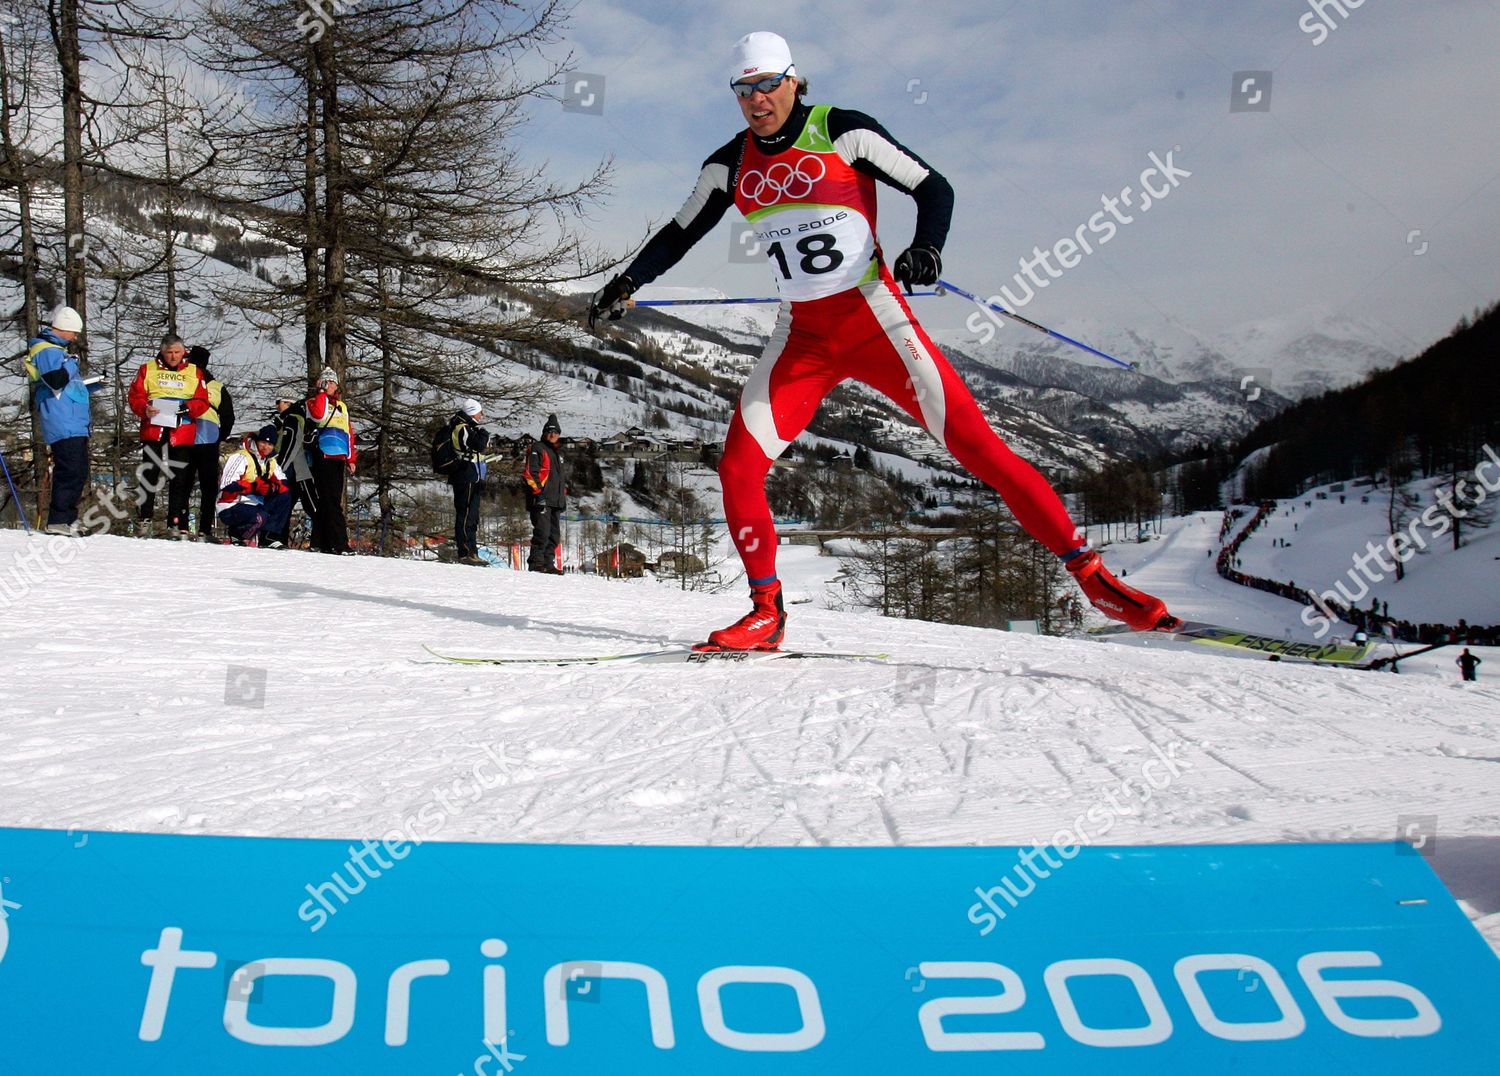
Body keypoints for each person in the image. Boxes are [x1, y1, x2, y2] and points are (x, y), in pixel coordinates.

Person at [587, 31, 1172, 649]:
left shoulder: (843, 130)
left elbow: (933, 187)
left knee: (980, 450)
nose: (757, 99)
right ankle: (766, 611)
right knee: (738, 467)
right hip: (801, 339)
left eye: (768, 84)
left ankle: (1096, 580)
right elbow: (679, 232)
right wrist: (628, 281)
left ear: (793, 81)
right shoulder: (728, 165)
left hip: (876, 325)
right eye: (743, 89)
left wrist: (927, 247)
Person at [26, 305, 101, 535]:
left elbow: (65, 385)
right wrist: (71, 363)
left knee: (77, 469)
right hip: (63, 421)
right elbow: (55, 380)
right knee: (69, 469)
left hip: (72, 420)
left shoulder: (57, 350)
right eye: (74, 332)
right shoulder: (47, 350)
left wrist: (90, 384)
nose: (75, 337)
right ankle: (59, 519)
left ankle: (68, 518)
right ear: (64, 328)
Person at [128, 333, 211, 537]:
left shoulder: (194, 371)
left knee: (179, 476)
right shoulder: (148, 368)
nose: (173, 357)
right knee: (150, 473)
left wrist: (189, 407)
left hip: (182, 431)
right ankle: (145, 519)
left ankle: (174, 522)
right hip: (154, 429)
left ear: (183, 352)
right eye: (169, 353)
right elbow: (135, 395)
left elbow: (203, 401)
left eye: (177, 352)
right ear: (162, 352)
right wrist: (144, 408)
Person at [305, 368, 357, 555]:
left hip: (339, 457)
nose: (331, 386)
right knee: (330, 500)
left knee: (329, 500)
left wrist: (351, 459)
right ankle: (339, 543)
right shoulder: (313, 402)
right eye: (327, 382)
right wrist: (321, 393)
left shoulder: (342, 407)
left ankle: (319, 541)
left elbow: (348, 433)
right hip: (322, 455)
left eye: (333, 382)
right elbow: (318, 415)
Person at [215, 425, 292, 547]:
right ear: (256, 441)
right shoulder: (241, 456)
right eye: (263, 442)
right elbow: (227, 484)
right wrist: (253, 486)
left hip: (255, 504)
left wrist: (272, 487)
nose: (266, 447)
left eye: (270, 444)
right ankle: (237, 534)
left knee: (284, 497)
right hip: (231, 504)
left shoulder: (270, 461)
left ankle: (268, 537)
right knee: (260, 517)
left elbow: (283, 483)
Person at [186, 346, 230, 542]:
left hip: (186, 439)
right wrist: (220, 436)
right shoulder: (217, 387)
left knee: (183, 484)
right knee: (208, 487)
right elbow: (228, 417)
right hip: (209, 439)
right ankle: (205, 529)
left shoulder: (185, 381)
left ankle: (180, 526)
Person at [444, 398, 492, 566]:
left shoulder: (465, 427)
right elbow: (478, 445)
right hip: (465, 474)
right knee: (465, 514)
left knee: (472, 515)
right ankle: (465, 552)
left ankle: (472, 552)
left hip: (471, 474)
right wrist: (484, 434)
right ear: (472, 412)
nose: (481, 415)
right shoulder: (462, 428)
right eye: (479, 412)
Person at [270, 393, 319, 547]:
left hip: (298, 469)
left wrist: (280, 468)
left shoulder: (292, 418)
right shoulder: (292, 418)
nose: (277, 405)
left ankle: (322, 539)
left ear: (288, 403)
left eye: (279, 401)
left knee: (311, 506)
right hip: (298, 469)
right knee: (289, 505)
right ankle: (278, 539)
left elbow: (291, 445)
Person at [523, 413, 566, 573]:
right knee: (542, 532)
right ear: (544, 432)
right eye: (549, 431)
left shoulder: (559, 453)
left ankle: (548, 563)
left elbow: (560, 479)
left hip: (556, 501)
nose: (552, 434)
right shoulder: (538, 448)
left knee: (554, 536)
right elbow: (530, 473)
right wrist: (538, 493)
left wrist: (563, 498)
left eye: (555, 432)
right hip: (541, 499)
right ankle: (536, 563)